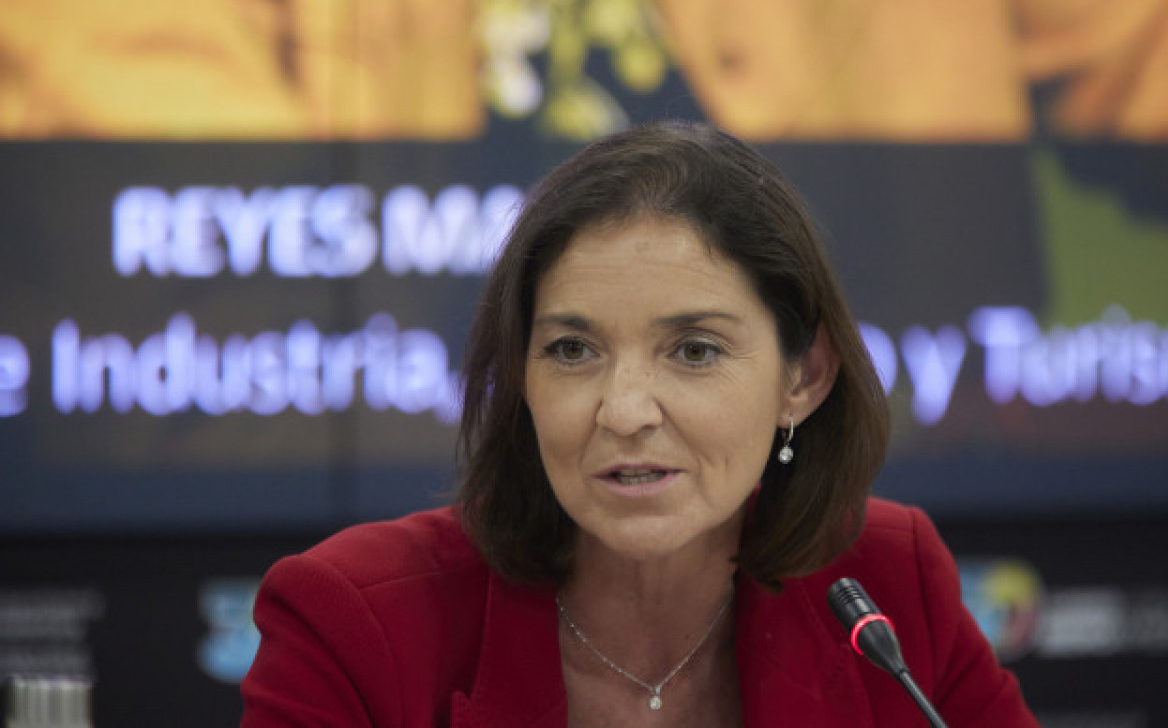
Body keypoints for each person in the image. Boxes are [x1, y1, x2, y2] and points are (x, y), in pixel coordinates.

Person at [240, 120, 1037, 726]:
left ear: (805, 378)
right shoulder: (355, 623)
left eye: (694, 350)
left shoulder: (890, 587)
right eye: (572, 350)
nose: (624, 412)